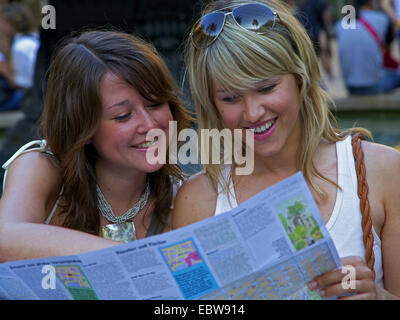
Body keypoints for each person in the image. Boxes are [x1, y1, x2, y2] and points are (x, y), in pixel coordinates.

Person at [173, 0, 400, 299]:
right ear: (211, 104)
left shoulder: (380, 170)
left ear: (301, 77)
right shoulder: (197, 200)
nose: (252, 113)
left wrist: (378, 297)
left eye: (266, 88)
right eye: (230, 98)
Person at [0, 30, 192, 262]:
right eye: (123, 116)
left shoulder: (181, 196)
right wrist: (132, 258)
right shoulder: (41, 167)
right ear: (83, 126)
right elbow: (5, 239)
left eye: (155, 104)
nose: (150, 125)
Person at [336, 0, 400, 95]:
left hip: (350, 87)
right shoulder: (383, 19)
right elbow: (386, 53)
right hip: (373, 86)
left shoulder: (340, 24)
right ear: (372, 2)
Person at [0, 2, 40, 111]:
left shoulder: (20, 47)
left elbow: (22, 82)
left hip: (29, 95)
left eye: (2, 21)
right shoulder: (33, 38)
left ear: (10, 23)